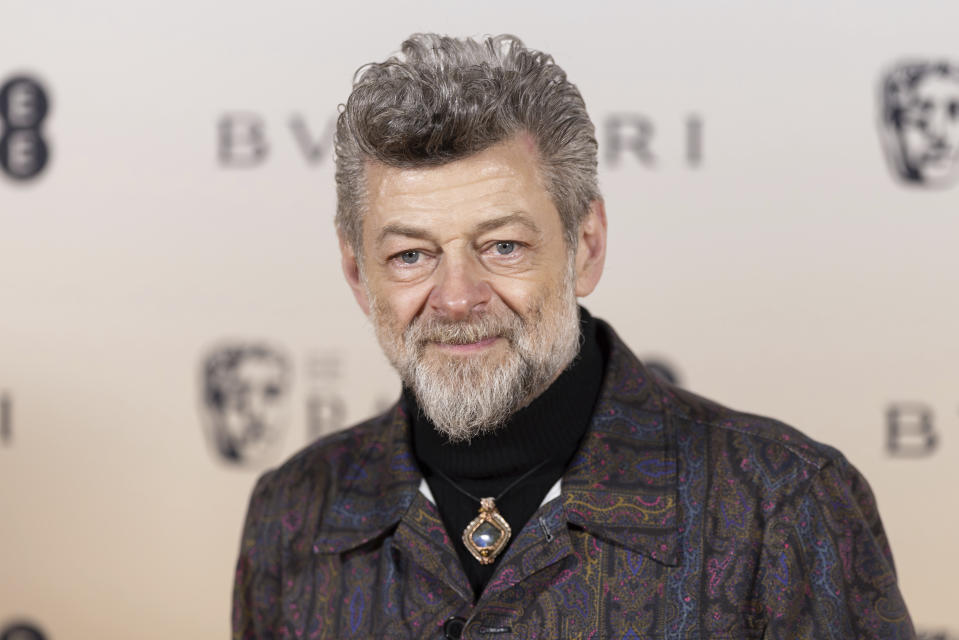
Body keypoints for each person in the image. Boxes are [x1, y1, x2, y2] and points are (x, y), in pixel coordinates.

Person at [233, 34, 915, 639]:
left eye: (502, 246)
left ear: (585, 247)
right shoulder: (293, 513)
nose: (458, 297)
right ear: (357, 273)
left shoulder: (781, 503)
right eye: (410, 255)